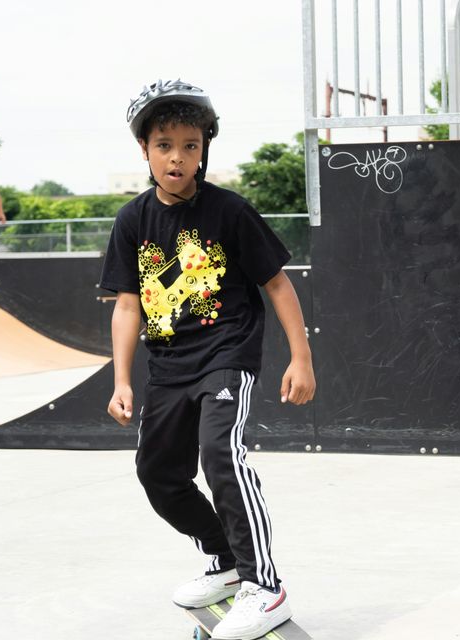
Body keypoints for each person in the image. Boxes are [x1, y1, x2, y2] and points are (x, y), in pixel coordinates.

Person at [99, 79, 315, 640]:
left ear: (204, 150)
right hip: (168, 364)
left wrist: (301, 358)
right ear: (144, 150)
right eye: (165, 144)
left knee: (221, 451)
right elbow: (128, 306)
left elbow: (277, 284)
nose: (178, 157)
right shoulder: (132, 221)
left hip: (227, 352)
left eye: (190, 145)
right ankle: (223, 561)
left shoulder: (230, 212)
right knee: (158, 474)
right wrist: (122, 380)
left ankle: (265, 586)